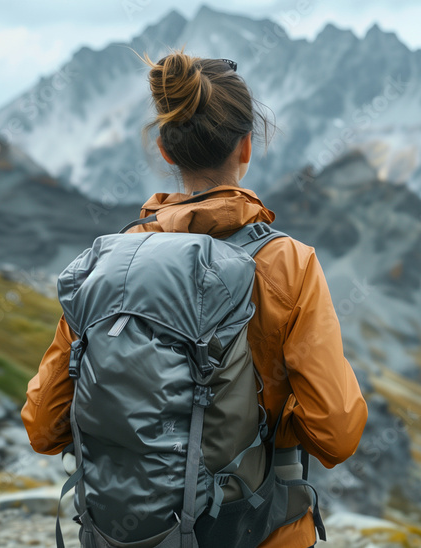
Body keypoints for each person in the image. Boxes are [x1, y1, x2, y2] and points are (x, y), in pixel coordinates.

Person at [21, 50, 369, 548]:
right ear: (247, 147)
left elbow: (43, 426)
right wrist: (270, 420)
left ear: (165, 149)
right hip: (253, 532)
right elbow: (337, 433)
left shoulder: (107, 267)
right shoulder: (287, 264)